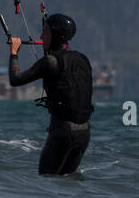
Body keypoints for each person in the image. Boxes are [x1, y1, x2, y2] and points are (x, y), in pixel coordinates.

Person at [8, 14, 93, 175]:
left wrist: (14, 53)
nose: (40, 36)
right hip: (84, 132)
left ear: (55, 35)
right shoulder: (82, 59)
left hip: (63, 131)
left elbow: (15, 79)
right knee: (68, 181)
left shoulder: (51, 61)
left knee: (47, 180)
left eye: (45, 32)